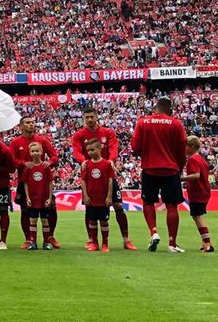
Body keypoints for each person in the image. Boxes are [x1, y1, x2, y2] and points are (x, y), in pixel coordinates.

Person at [130, 97, 188, 253]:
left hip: (150, 168)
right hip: (170, 169)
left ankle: (153, 231)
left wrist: (147, 154)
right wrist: (179, 166)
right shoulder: (176, 124)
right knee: (171, 206)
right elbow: (182, 149)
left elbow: (135, 147)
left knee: (148, 202)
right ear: (169, 110)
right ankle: (172, 243)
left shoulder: (142, 122)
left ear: (155, 108)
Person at [71, 108, 136, 250]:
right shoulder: (79, 135)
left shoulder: (108, 133)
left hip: (107, 174)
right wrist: (82, 161)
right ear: (83, 118)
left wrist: (112, 160)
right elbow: (76, 151)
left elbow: (113, 148)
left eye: (91, 116)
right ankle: (91, 240)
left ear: (97, 116)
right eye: (86, 117)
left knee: (118, 205)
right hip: (90, 176)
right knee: (90, 207)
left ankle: (126, 239)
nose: (89, 119)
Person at [9, 117, 59, 249]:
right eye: (28, 122)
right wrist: (23, 163)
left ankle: (50, 237)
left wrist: (50, 162)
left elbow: (54, 156)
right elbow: (12, 159)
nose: (31, 124)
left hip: (43, 182)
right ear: (21, 126)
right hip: (25, 181)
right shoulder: (15, 142)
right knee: (26, 211)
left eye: (32, 122)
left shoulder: (42, 140)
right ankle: (29, 239)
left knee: (51, 209)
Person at [79, 138, 115, 253]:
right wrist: (85, 195)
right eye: (88, 150)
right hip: (91, 198)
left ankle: (105, 243)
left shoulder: (107, 164)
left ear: (100, 149)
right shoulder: (86, 165)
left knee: (104, 222)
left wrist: (109, 196)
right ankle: (94, 243)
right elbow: (83, 180)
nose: (90, 152)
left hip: (103, 198)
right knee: (92, 221)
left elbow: (110, 181)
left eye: (92, 150)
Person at [20, 142, 56, 250]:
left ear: (41, 152)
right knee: (33, 221)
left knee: (45, 221)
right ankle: (33, 243)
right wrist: (27, 197)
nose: (35, 153)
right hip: (33, 199)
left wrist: (50, 198)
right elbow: (25, 183)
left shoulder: (45, 167)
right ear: (30, 153)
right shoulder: (28, 167)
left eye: (37, 151)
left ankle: (45, 243)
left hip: (44, 199)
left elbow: (50, 182)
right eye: (33, 151)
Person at [182, 137, 214, 253]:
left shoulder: (193, 160)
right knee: (198, 215)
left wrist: (180, 179)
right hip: (203, 191)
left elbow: (196, 175)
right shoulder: (201, 159)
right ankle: (205, 241)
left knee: (198, 216)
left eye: (186, 146)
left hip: (198, 191)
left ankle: (207, 243)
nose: (184, 148)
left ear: (192, 147)